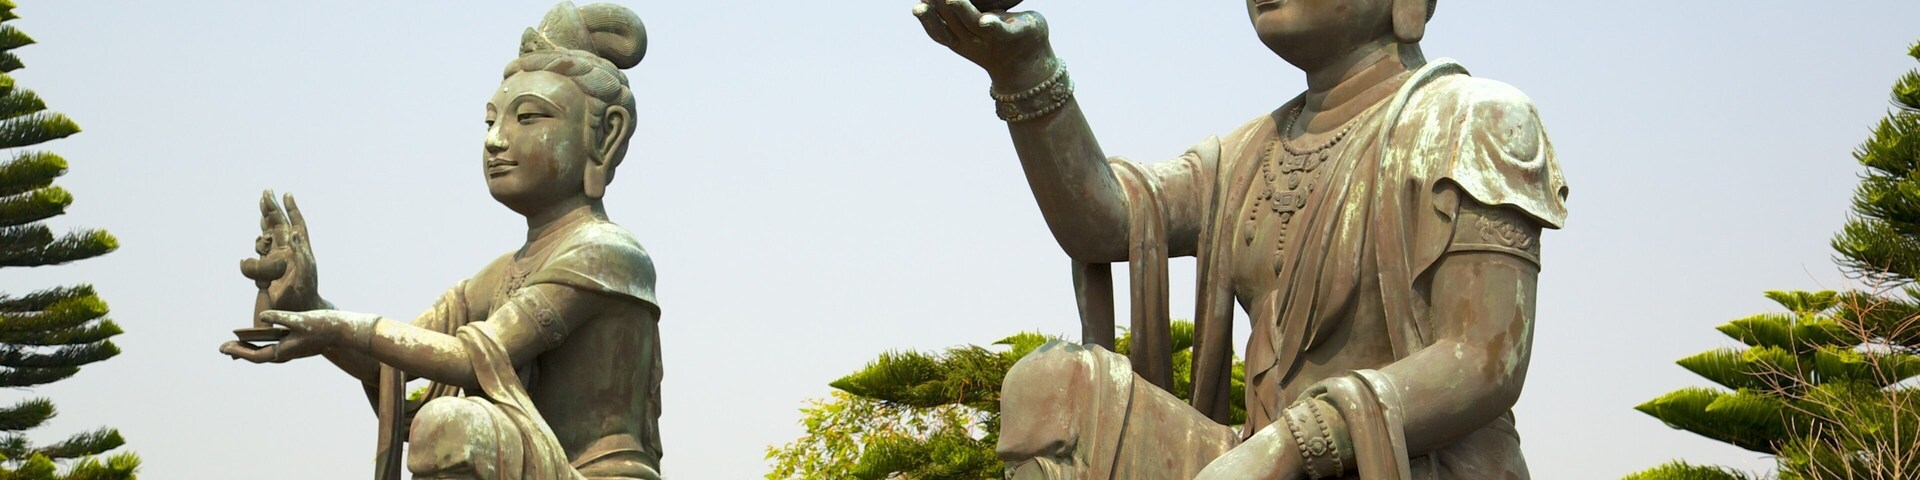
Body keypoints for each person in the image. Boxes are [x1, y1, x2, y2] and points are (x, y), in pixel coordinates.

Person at [910, 0, 1567, 478]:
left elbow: (1483, 361)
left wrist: (1290, 446)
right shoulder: (1243, 156)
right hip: (1252, 457)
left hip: (1399, 463)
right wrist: (1026, 72)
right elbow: (1105, 219)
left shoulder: (1475, 117)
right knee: (1052, 389)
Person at [219, 3, 663, 479]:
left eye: (528, 118)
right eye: (490, 121)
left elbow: (474, 359)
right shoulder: (497, 275)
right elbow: (395, 361)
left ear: (606, 135)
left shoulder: (607, 253)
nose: (496, 140)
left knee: (451, 425)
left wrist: (342, 327)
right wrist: (310, 305)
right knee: (448, 423)